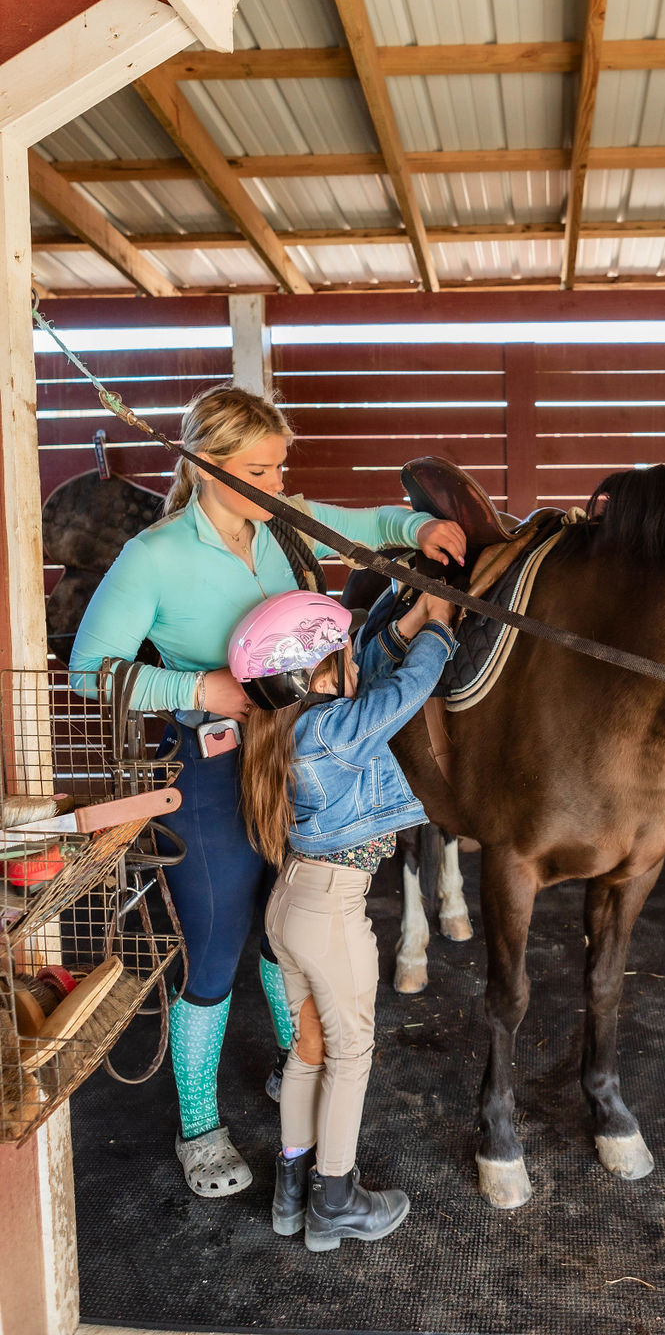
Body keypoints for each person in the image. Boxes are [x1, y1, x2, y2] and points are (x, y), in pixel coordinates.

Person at [69, 384, 465, 1198]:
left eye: (281, 468)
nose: (277, 484)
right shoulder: (154, 556)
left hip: (296, 760)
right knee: (214, 953)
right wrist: (198, 688)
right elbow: (89, 672)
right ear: (204, 466)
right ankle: (199, 1126)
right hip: (212, 767)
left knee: (287, 939)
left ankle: (300, 1070)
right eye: (258, 469)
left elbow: (361, 526)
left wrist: (417, 527)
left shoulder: (280, 524)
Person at [229, 586, 457, 1248]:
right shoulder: (337, 730)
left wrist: (406, 620)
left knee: (309, 1052)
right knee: (352, 1053)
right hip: (330, 913)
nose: (352, 659)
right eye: (340, 651)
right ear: (319, 672)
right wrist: (437, 629)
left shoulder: (289, 724)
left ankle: (292, 1192)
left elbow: (364, 674)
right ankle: (336, 1201)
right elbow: (402, 689)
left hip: (291, 906)